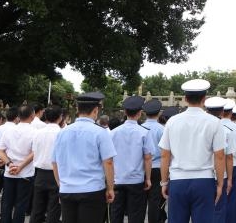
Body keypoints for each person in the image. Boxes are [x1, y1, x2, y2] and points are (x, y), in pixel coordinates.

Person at [159, 79, 225, 223]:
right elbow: (220, 157)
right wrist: (220, 184)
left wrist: (164, 182)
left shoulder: (172, 121)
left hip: (178, 180)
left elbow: (164, 155)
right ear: (204, 99)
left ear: (185, 99)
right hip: (204, 181)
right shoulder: (214, 122)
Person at [52, 92, 117, 223]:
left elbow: (54, 163)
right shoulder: (100, 132)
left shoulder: (62, 133)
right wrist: (110, 188)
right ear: (95, 110)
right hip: (92, 189)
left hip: (67, 189)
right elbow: (108, 162)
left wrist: (61, 185)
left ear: (77, 109)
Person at [110, 95, 154, 223]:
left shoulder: (113, 133)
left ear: (124, 112)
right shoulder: (144, 132)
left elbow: (108, 159)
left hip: (117, 179)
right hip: (136, 180)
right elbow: (147, 158)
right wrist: (148, 178)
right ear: (140, 113)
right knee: (136, 215)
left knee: (115, 214)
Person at [0, 105, 36, 223]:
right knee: (21, 204)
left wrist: (9, 164)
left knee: (7, 202)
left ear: (18, 116)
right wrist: (21, 166)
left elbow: (0, 150)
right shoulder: (35, 132)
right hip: (26, 173)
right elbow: (34, 153)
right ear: (32, 116)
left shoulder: (9, 130)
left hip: (10, 172)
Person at [30, 105, 63, 223]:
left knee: (37, 208)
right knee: (54, 209)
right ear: (60, 117)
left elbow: (34, 151)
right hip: (57, 174)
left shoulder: (38, 133)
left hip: (39, 173)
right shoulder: (62, 133)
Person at [141, 99, 166, 223]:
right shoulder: (162, 129)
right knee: (154, 201)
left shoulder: (140, 127)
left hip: (142, 167)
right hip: (157, 167)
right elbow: (166, 152)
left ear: (144, 113)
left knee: (140, 201)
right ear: (159, 113)